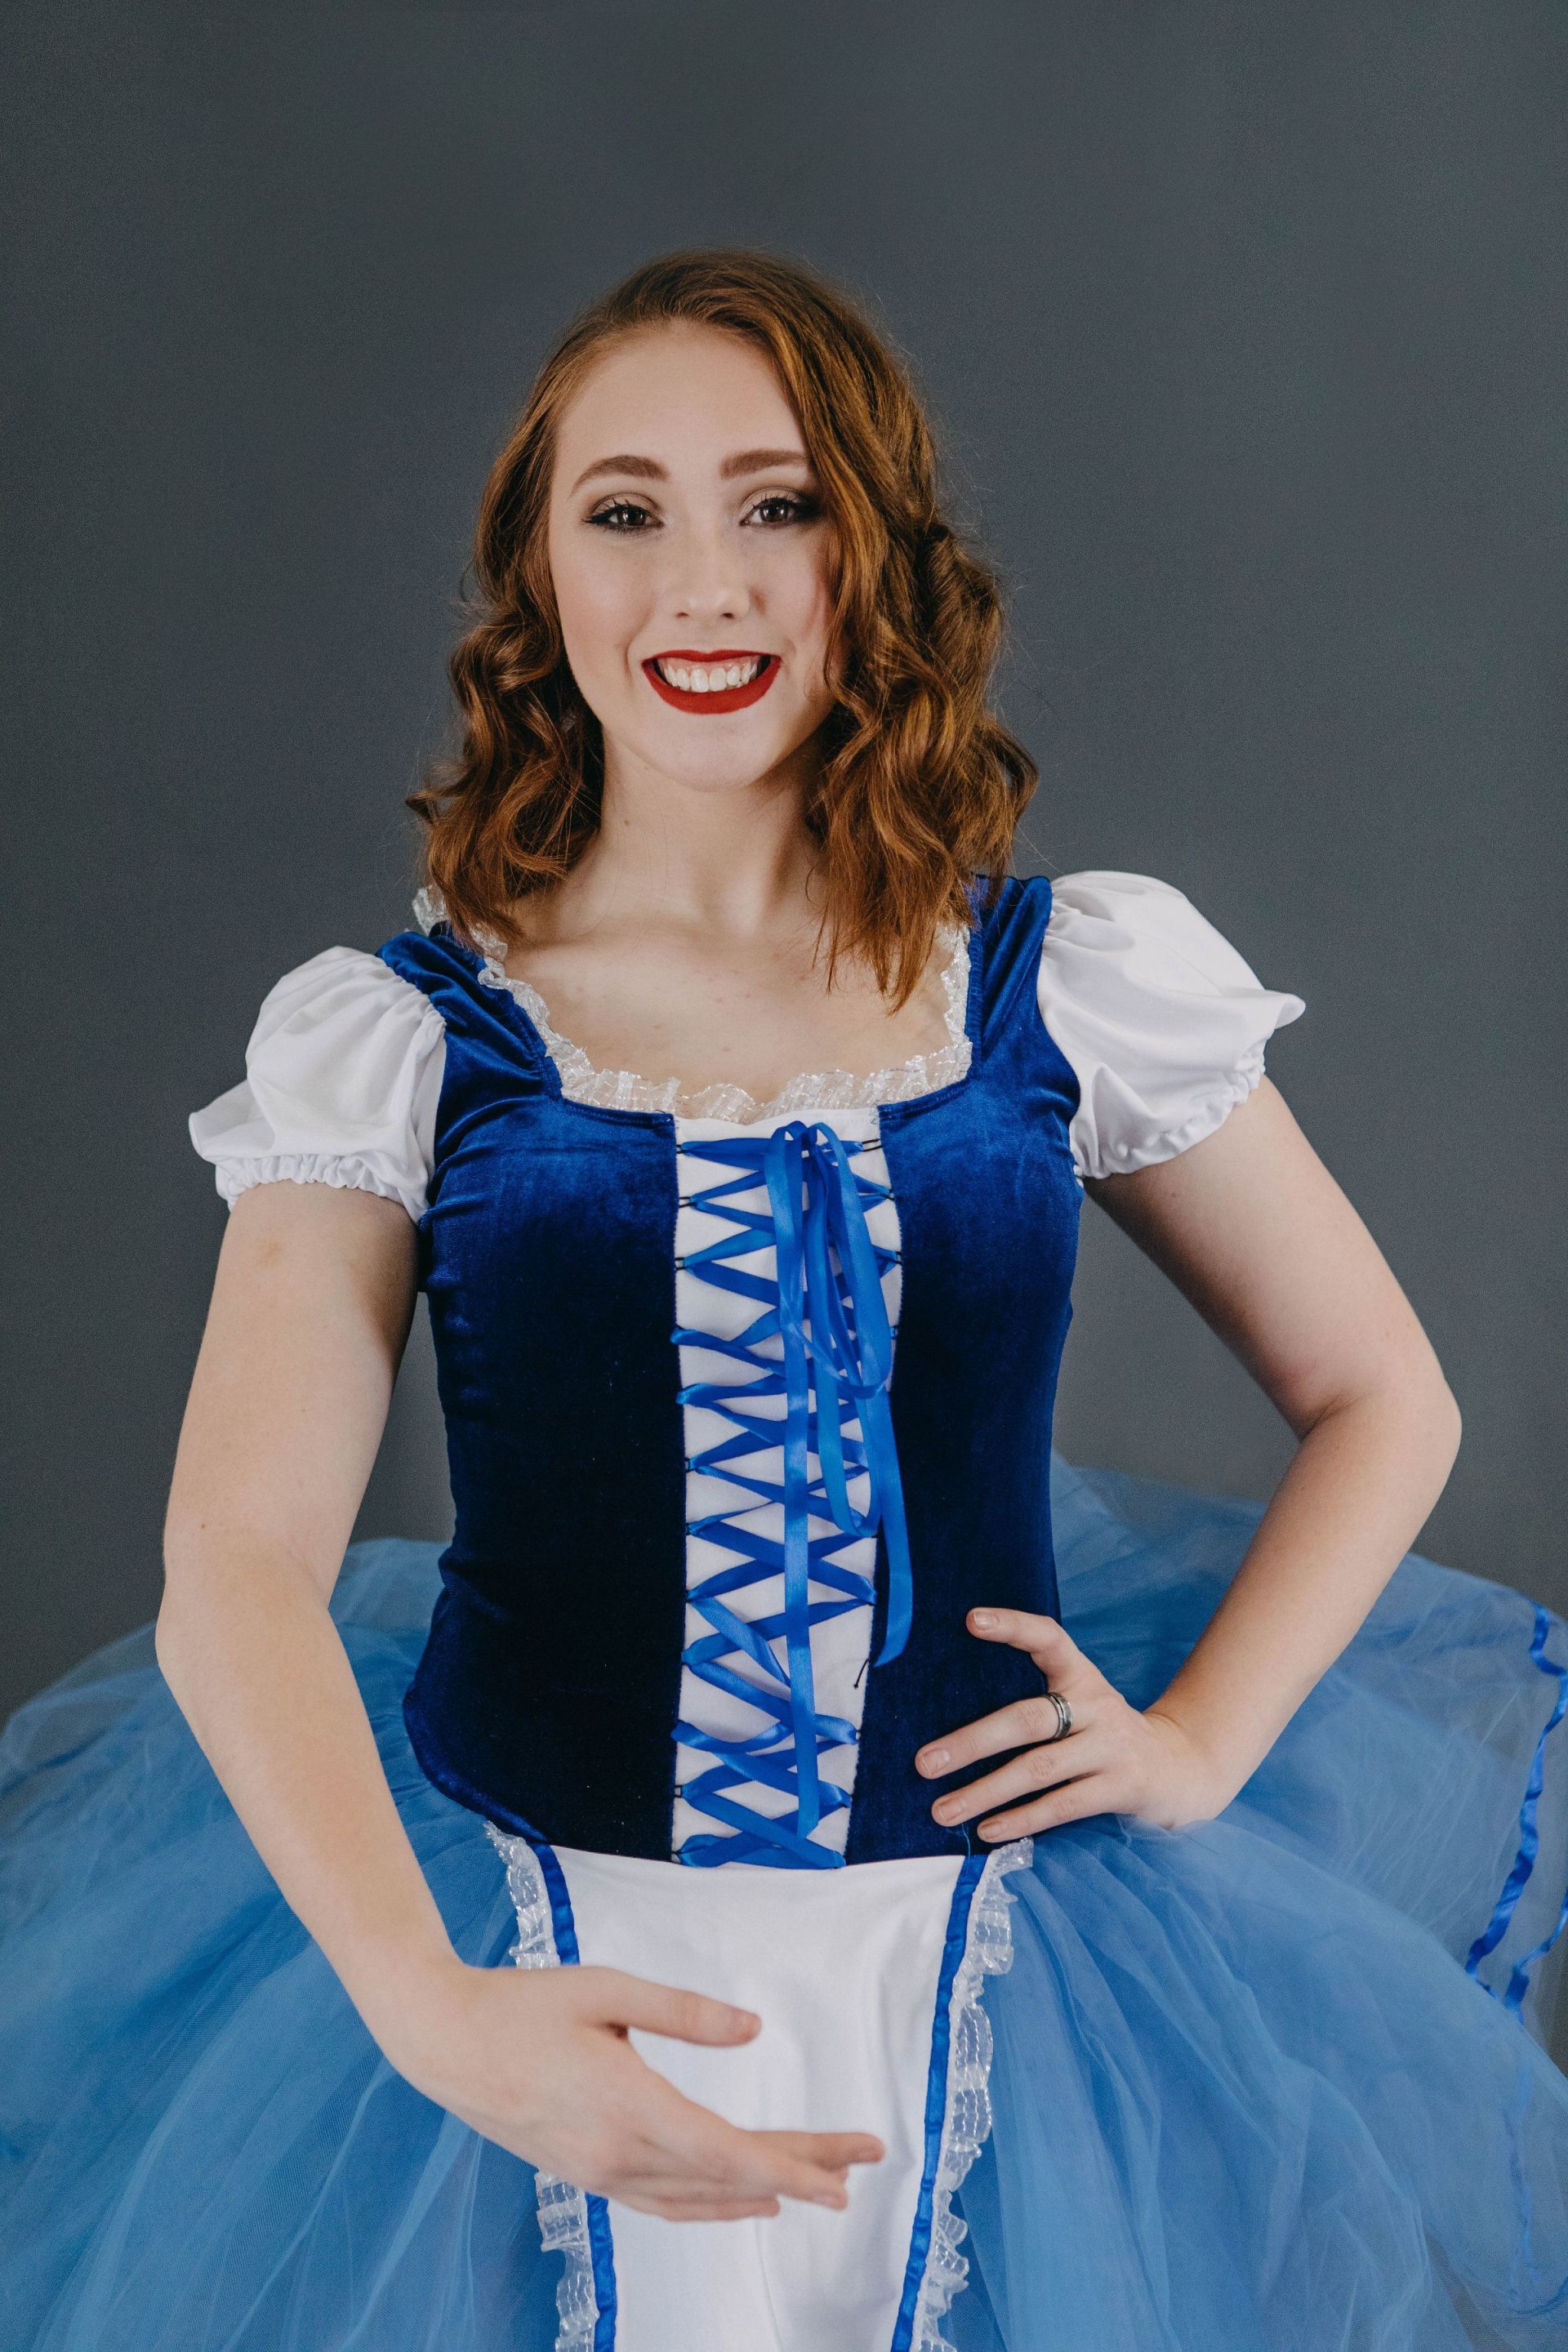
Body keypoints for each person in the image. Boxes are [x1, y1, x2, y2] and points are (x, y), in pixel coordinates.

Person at [3, 247, 1566, 2352]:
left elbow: (1384, 1393)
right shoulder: (402, 1034)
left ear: (875, 555)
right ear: (539, 578)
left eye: (781, 502)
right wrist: (436, 2014)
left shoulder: (1064, 979)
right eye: (624, 512)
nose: (702, 581)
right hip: (522, 1920)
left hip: (1016, 1958)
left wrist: (1200, 1744)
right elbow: (238, 1555)